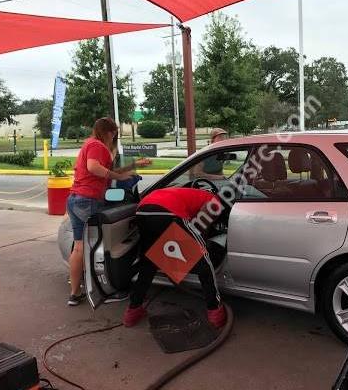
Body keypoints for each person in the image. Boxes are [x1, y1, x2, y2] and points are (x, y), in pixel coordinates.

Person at [122, 187, 228, 329]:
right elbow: (200, 229)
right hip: (169, 212)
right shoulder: (214, 201)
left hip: (142, 211)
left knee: (149, 263)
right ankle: (215, 312)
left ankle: (133, 311)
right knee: (204, 260)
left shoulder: (186, 192)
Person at [66, 117, 136, 306]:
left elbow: (98, 169)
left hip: (74, 199)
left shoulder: (88, 144)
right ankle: (103, 288)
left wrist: (130, 168)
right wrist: (119, 176)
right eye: (114, 134)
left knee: (79, 246)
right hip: (88, 200)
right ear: (110, 132)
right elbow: (94, 168)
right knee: (99, 244)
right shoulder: (98, 146)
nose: (114, 138)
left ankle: (74, 293)